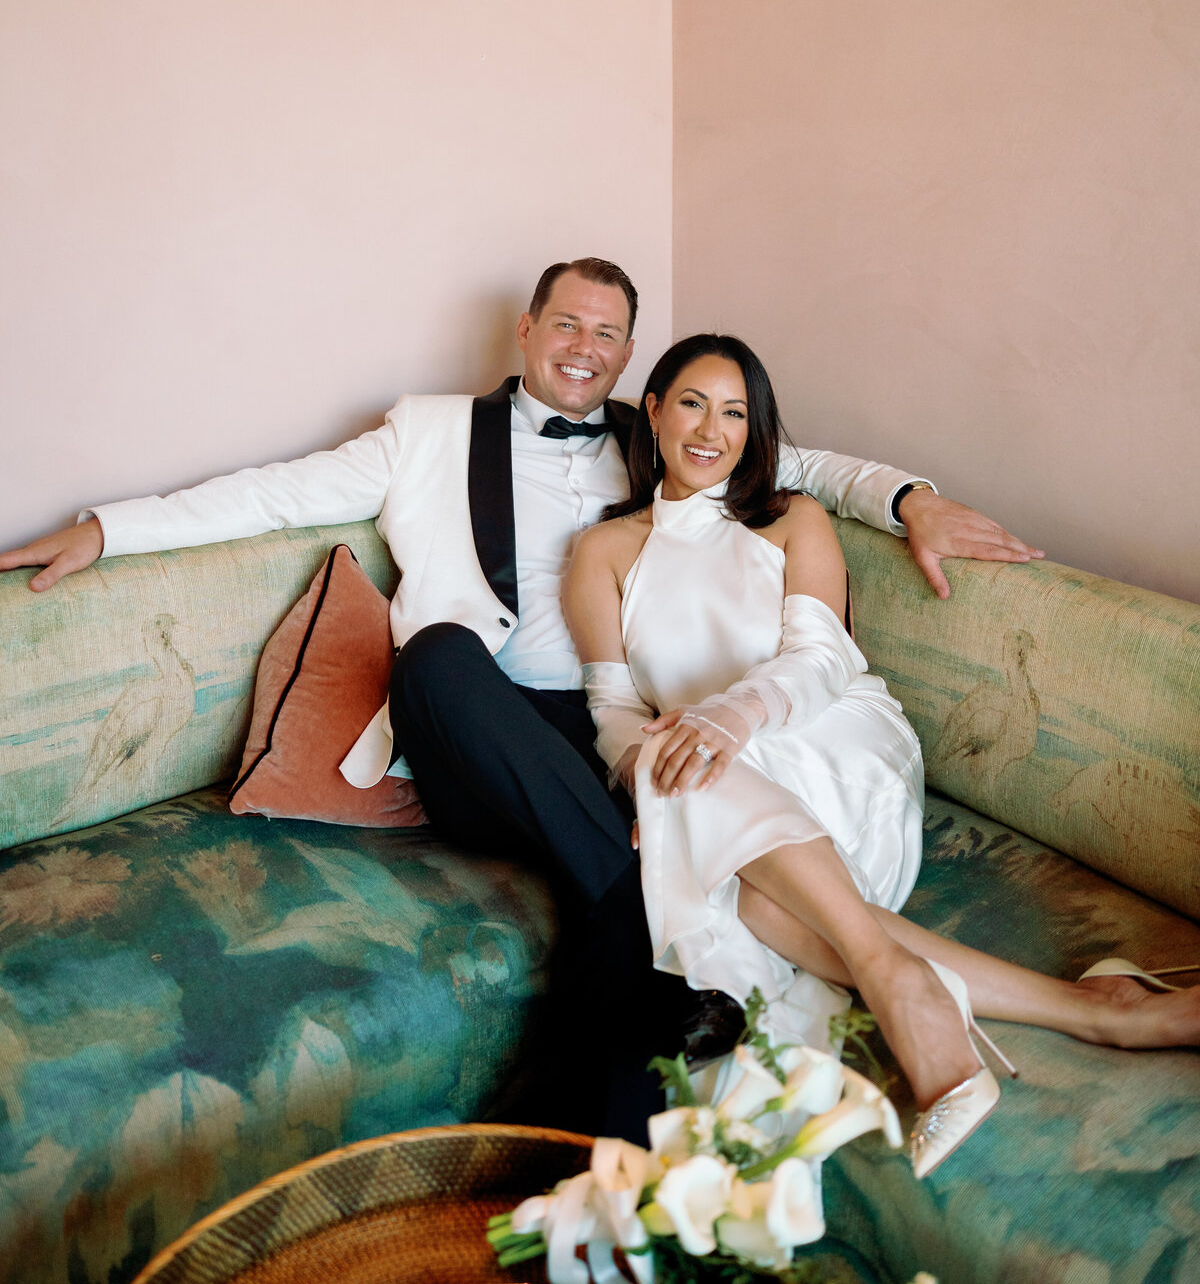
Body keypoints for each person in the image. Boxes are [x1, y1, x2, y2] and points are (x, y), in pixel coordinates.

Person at [0, 258, 1043, 1143]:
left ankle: (614, 1184)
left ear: (629, 358)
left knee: (623, 918)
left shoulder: (661, 433)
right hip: (482, 724)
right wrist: (108, 529)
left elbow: (794, 461)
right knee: (439, 654)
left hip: (610, 729)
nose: (585, 347)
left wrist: (912, 500)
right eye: (568, 324)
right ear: (528, 330)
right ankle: (649, 894)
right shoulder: (425, 432)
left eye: (609, 334)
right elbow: (271, 493)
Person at [563, 332, 1200, 1174]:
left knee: (704, 813)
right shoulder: (603, 550)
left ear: (755, 429)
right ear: (652, 410)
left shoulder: (791, 517)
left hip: (831, 739)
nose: (712, 430)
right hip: (716, 768)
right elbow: (612, 708)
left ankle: (906, 981)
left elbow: (820, 660)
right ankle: (1072, 1007)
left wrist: (729, 717)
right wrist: (646, 774)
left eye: (735, 412)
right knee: (717, 842)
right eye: (692, 404)